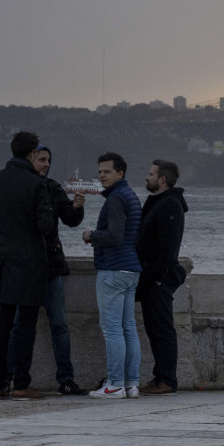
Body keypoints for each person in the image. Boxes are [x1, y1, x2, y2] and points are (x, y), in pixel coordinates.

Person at [0, 131, 54, 400]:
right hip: (31, 263)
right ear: (32, 154)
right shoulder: (36, 184)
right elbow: (45, 224)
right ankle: (21, 384)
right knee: (26, 326)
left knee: (3, 324)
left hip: (4, 262)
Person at [6, 143, 87, 396]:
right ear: (30, 159)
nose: (46, 164)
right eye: (41, 159)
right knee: (18, 326)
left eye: (48, 160)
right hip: (26, 267)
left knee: (60, 324)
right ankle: (8, 378)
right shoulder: (19, 188)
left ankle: (66, 379)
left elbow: (70, 220)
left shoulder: (52, 188)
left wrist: (77, 207)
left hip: (51, 265)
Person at [82, 152, 143, 400]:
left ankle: (115, 384)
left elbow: (114, 236)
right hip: (131, 269)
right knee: (129, 327)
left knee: (112, 330)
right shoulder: (131, 196)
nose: (101, 176)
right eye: (99, 172)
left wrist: (91, 235)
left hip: (114, 270)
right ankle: (131, 384)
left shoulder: (116, 198)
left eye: (107, 172)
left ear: (121, 173)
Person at [136, 159, 187, 395]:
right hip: (151, 277)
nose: (147, 177)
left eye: (150, 173)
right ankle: (160, 377)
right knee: (154, 329)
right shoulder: (159, 202)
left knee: (162, 330)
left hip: (159, 278)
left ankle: (167, 380)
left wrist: (157, 277)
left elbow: (169, 246)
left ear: (162, 179)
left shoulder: (169, 204)